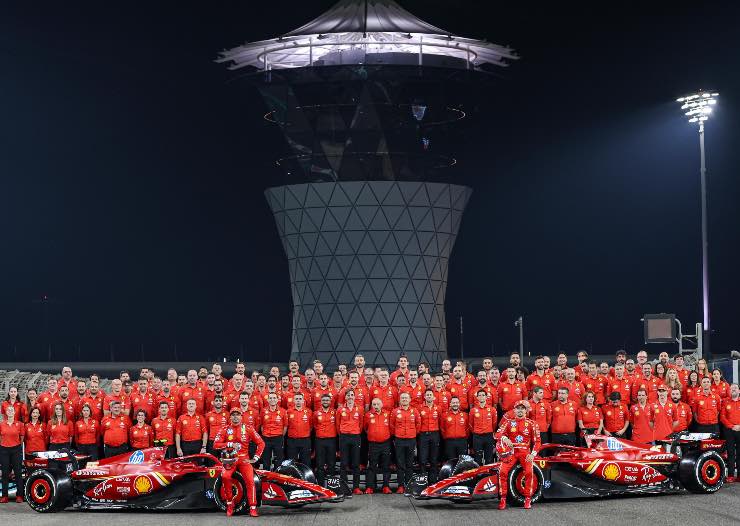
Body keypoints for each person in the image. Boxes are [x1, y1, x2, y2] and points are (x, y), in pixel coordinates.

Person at [212, 408, 265, 517]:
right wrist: (230, 444)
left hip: (244, 459)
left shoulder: (248, 428)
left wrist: (255, 458)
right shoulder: (225, 429)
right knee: (225, 476)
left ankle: (253, 508)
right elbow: (215, 445)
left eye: (238, 415)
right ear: (230, 417)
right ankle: (229, 504)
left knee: (250, 481)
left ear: (241, 417)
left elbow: (261, 443)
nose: (235, 417)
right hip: (230, 460)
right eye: (233, 415)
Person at [495, 400, 540, 510]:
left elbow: (537, 442)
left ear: (526, 411)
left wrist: (533, 454)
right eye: (518, 408)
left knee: (529, 472)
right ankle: (503, 498)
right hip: (511, 452)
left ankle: (528, 499)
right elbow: (497, 434)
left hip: (525, 452)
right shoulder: (508, 422)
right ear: (514, 410)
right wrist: (505, 438)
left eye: (522, 408)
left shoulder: (532, 424)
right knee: (502, 471)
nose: (520, 410)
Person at [391, 392, 419, 494]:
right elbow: (392, 425)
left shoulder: (414, 411)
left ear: (410, 400)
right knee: (400, 463)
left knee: (409, 464)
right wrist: (397, 435)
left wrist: (413, 434)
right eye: (402, 398)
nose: (404, 399)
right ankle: (400, 486)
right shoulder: (395, 411)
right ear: (400, 400)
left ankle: (409, 485)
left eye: (406, 398)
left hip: (411, 439)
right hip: (399, 440)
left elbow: (418, 424)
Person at [336, 389, 363, 494]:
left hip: (355, 437)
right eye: (348, 395)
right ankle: (344, 487)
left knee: (356, 463)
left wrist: (355, 432)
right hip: (344, 437)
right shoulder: (340, 409)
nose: (350, 396)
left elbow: (361, 424)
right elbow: (337, 424)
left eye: (352, 395)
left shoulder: (360, 409)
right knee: (343, 463)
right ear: (345, 397)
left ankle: (356, 487)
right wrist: (343, 432)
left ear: (354, 397)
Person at [364, 397, 392, 494]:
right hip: (373, 444)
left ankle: (386, 486)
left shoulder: (387, 414)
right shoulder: (368, 415)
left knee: (386, 466)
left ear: (382, 405)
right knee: (372, 466)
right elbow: (365, 428)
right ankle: (370, 487)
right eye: (374, 404)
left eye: (378, 404)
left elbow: (391, 427)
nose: (376, 406)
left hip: (385, 444)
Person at [0, 404, 24, 503]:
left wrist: (16, 446)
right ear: (6, 412)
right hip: (4, 450)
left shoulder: (20, 424)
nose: (10, 411)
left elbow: (21, 438)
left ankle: (20, 496)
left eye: (11, 410)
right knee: (5, 473)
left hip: (16, 450)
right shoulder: (1, 424)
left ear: (14, 412)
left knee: (18, 473)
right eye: (8, 410)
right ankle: (4, 496)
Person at [312, 394, 337, 487]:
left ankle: (332, 486)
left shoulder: (335, 412)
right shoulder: (316, 413)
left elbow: (337, 424)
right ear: (321, 402)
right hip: (320, 440)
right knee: (320, 464)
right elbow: (314, 425)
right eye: (324, 400)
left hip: (331, 440)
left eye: (327, 400)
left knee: (331, 463)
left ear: (330, 402)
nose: (325, 402)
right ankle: (321, 486)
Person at [418, 389, 441, 483]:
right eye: (427, 395)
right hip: (423, 435)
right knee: (423, 459)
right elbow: (417, 422)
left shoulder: (438, 408)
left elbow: (440, 421)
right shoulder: (419, 408)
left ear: (433, 397)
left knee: (434, 459)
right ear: (424, 397)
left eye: (430, 395)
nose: (429, 396)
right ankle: (423, 481)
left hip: (434, 434)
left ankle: (433, 481)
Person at [259, 392, 287, 470]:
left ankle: (277, 475)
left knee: (279, 459)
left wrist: (280, 435)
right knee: (266, 458)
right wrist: (265, 434)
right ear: (268, 400)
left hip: (278, 438)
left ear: (277, 400)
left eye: (274, 398)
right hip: (266, 438)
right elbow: (261, 425)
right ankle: (266, 475)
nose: (272, 400)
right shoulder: (263, 411)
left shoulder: (283, 411)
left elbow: (285, 426)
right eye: (270, 398)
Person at [469, 389, 497, 465]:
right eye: (479, 395)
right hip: (477, 437)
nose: (481, 397)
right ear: (477, 397)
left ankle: (489, 472)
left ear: (486, 397)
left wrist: (490, 431)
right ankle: (479, 472)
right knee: (477, 458)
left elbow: (494, 423)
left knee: (489, 458)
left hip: (488, 436)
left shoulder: (492, 410)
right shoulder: (473, 410)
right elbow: (471, 424)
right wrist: (476, 432)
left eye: (483, 395)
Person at [285, 393, 312, 465]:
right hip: (292, 440)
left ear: (303, 401)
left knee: (306, 461)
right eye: (296, 399)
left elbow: (311, 426)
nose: (298, 400)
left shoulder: (309, 412)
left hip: (305, 440)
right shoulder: (288, 412)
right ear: (293, 400)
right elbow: (286, 425)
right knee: (292, 462)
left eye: (300, 399)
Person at [720, 383, 739, 482]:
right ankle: (731, 475)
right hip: (729, 431)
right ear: (729, 391)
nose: (733, 390)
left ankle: (739, 476)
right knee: (730, 453)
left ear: (739, 390)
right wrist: (732, 426)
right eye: (731, 389)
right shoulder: (725, 402)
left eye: (735, 388)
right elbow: (722, 417)